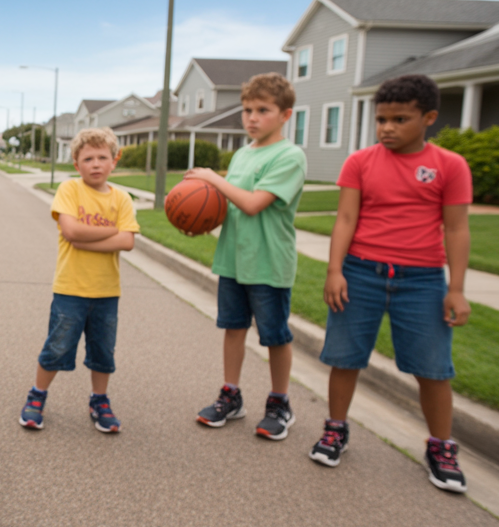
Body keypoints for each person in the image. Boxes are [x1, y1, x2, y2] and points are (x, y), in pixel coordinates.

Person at [311, 74, 472, 493]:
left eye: (400, 119)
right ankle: (335, 429)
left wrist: (456, 288)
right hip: (361, 273)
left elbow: (457, 229)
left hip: (422, 281)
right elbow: (346, 218)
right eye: (382, 119)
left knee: (433, 368)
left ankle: (441, 447)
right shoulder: (360, 162)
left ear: (429, 118)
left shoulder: (449, 166)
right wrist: (335, 270)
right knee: (345, 358)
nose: (387, 128)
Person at [185, 72, 305, 440]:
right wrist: (201, 221)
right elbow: (231, 207)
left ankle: (280, 403)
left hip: (268, 263)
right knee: (233, 328)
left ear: (285, 115)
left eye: (263, 110)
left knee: (275, 336)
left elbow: (253, 204)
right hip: (234, 261)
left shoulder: (290, 156)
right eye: (247, 110)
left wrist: (212, 178)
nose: (252, 118)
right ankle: (231, 395)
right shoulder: (241, 154)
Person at [18, 127, 139, 433]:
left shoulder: (122, 198)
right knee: (57, 347)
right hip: (70, 289)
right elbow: (71, 231)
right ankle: (37, 396)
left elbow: (127, 242)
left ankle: (99, 400)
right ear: (76, 164)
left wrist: (87, 240)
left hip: (107, 292)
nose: (96, 164)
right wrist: (112, 231)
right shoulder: (70, 190)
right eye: (88, 159)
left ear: (114, 161)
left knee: (103, 352)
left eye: (102, 157)